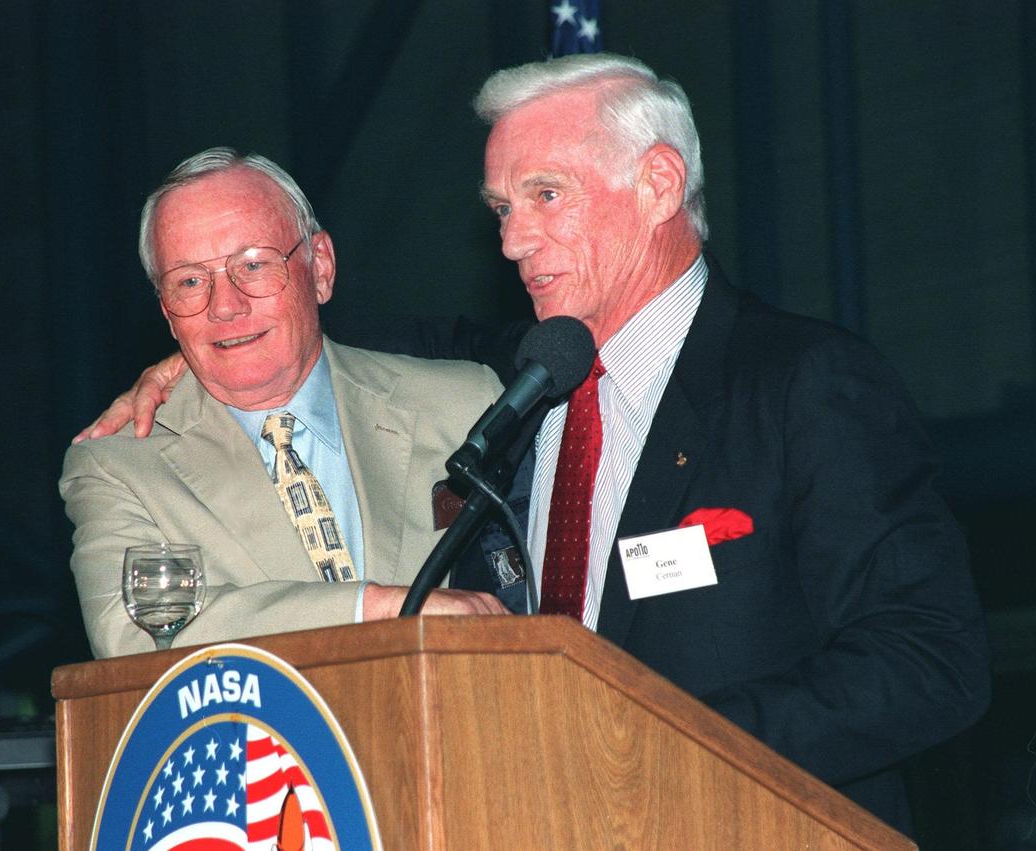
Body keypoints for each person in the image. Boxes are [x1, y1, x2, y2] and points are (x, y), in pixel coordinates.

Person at [75, 56, 989, 833]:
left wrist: (649, 739)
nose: (512, 239)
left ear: (659, 186)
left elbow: (931, 661)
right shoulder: (521, 376)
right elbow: (305, 344)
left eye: (544, 195)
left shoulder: (802, 381)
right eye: (501, 206)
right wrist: (194, 354)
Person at [60, 147, 507, 659]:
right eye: (189, 281)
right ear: (166, 310)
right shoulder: (119, 465)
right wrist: (381, 609)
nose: (225, 307)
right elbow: (134, 640)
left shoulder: (468, 404)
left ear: (320, 267)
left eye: (253, 265)